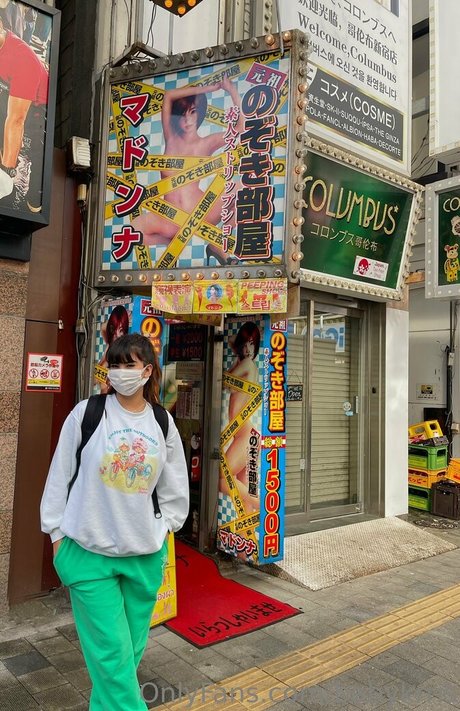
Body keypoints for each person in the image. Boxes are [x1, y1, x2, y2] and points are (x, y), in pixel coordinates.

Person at [40, 333, 189, 711]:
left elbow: (175, 486)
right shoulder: (87, 413)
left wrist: (166, 528)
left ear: (147, 371)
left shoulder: (162, 422)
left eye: (129, 364)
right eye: (115, 364)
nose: (121, 372)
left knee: (124, 660)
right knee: (113, 658)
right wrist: (56, 534)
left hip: (144, 556)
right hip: (87, 553)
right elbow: (59, 474)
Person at [132, 76, 243, 264]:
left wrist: (231, 90)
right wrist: (209, 88)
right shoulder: (171, 139)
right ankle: (175, 241)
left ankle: (216, 244)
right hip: (169, 219)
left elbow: (241, 127)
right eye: (182, 114)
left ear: (199, 113)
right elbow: (169, 95)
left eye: (192, 112)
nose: (187, 120)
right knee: (132, 230)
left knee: (243, 188)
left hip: (201, 213)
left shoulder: (206, 143)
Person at [0, 15, 49, 211]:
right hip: (8, 88)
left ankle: (24, 202)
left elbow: (16, 121)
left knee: (36, 173)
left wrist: (5, 173)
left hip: (39, 109)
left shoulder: (21, 60)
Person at [220, 322, 260, 512]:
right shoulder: (245, 363)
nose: (247, 349)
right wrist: (239, 350)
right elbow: (231, 339)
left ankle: (261, 507)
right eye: (244, 344)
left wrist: (238, 352)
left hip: (245, 436)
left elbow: (223, 381)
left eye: (252, 343)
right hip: (247, 436)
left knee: (222, 477)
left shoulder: (246, 364)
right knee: (244, 497)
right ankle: (249, 528)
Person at [97, 304, 130, 392]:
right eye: (113, 329)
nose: (117, 335)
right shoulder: (109, 346)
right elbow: (96, 381)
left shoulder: (126, 348)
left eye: (121, 330)